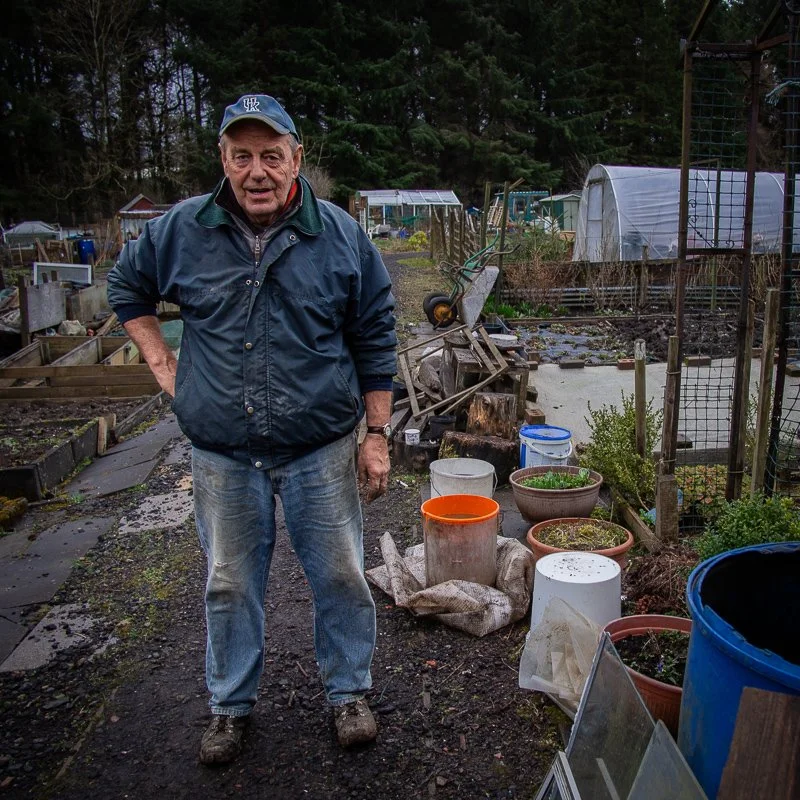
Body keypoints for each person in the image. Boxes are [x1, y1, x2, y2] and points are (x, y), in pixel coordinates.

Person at [107, 93, 397, 765]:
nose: (257, 171)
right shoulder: (180, 230)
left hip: (318, 446)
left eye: (272, 155)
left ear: (298, 158)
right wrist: (161, 359)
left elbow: (376, 334)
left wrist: (376, 435)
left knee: (341, 577)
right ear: (224, 160)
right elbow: (128, 289)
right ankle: (230, 708)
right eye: (243, 156)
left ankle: (348, 692)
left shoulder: (342, 236)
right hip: (223, 453)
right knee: (230, 583)